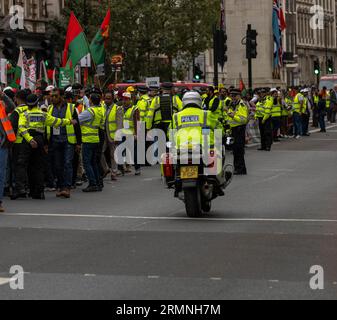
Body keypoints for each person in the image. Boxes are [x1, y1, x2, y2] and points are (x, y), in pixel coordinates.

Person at [15, 94, 76, 200]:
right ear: (37, 102)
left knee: (22, 164)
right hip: (39, 139)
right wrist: (69, 121)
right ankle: (38, 192)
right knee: (38, 166)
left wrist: (29, 139)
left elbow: (21, 127)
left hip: (27, 139)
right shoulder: (43, 114)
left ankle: (21, 189)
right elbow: (56, 121)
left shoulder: (24, 114)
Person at [46, 88, 82, 198]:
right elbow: (47, 125)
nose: (52, 98)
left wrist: (78, 143)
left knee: (67, 163)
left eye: (55, 96)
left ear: (61, 96)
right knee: (57, 165)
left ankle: (67, 187)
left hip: (68, 141)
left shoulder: (71, 108)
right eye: (51, 96)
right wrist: (46, 142)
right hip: (54, 141)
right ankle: (61, 187)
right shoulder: (50, 108)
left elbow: (77, 126)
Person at [78, 93, 105, 192]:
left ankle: (93, 183)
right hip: (96, 138)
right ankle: (98, 182)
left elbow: (77, 119)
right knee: (94, 162)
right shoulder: (99, 110)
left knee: (87, 163)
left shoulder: (89, 111)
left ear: (91, 101)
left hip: (88, 140)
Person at [225, 89, 249, 175]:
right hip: (233, 130)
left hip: (239, 129)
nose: (233, 97)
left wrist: (232, 116)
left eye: (234, 95)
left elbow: (243, 120)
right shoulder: (232, 104)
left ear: (239, 96)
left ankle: (241, 169)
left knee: (239, 150)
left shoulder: (241, 105)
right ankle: (237, 168)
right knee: (235, 150)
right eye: (231, 95)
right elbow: (229, 118)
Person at [101, 91, 123, 180]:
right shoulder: (102, 107)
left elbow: (119, 123)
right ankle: (106, 168)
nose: (107, 100)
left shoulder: (118, 108)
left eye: (109, 98)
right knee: (100, 152)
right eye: (105, 98)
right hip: (103, 134)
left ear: (113, 99)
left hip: (113, 135)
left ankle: (114, 172)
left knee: (113, 154)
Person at [119, 92, 141, 176]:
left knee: (134, 152)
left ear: (130, 100)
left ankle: (137, 168)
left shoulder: (135, 109)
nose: (124, 101)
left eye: (126, 99)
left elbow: (137, 122)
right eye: (123, 99)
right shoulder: (119, 108)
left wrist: (136, 134)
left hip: (131, 134)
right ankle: (121, 170)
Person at [0, 95, 16, 212]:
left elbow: (11, 107)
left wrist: (3, 95)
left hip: (2, 146)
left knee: (1, 175)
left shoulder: (1, 105)